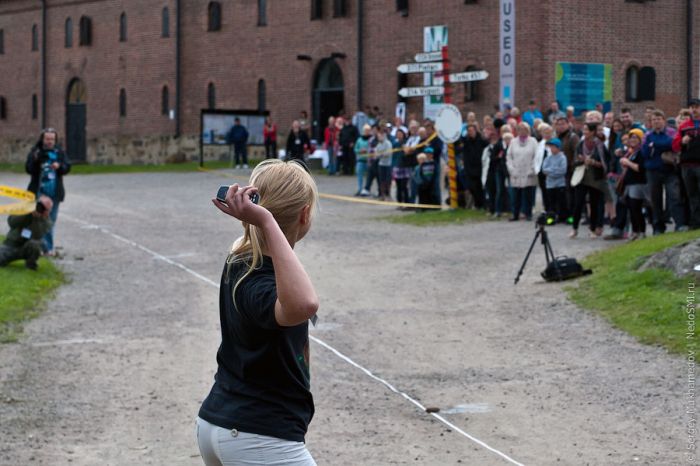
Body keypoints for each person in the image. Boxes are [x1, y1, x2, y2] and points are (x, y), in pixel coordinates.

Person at [198, 160, 319, 466]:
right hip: (257, 436)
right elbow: (305, 305)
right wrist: (266, 221)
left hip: (225, 424)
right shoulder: (259, 281)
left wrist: (260, 221)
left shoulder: (241, 259)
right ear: (304, 215)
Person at [25, 128, 71, 256]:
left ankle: (47, 249)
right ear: (42, 139)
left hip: (54, 193)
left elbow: (67, 167)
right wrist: (36, 161)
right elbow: (28, 169)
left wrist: (60, 166)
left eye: (52, 139)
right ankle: (33, 248)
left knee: (50, 221)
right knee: (35, 221)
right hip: (38, 192)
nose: (50, 141)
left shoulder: (60, 152)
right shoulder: (36, 152)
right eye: (47, 139)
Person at [643, 109, 687, 234]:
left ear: (664, 120)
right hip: (653, 171)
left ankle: (680, 224)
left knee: (674, 196)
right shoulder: (647, 135)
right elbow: (645, 153)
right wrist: (659, 146)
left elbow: (673, 145)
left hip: (669, 170)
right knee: (655, 200)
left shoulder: (671, 132)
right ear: (651, 122)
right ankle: (658, 227)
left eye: (659, 119)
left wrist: (655, 145)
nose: (656, 122)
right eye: (653, 120)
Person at [569, 123, 608, 238]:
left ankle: (593, 228)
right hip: (582, 177)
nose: (584, 132)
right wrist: (581, 160)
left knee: (594, 204)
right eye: (583, 129)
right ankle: (574, 228)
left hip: (595, 178)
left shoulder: (600, 145)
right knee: (578, 203)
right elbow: (575, 161)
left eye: (586, 130)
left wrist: (593, 162)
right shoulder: (581, 144)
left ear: (592, 132)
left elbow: (605, 163)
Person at [0, 196, 53, 270]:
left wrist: (37, 219)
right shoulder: (25, 209)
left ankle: (31, 264)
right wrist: (27, 213)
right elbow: (11, 222)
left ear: (49, 210)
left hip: (27, 248)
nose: (41, 209)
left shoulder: (47, 222)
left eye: (45, 208)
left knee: (36, 244)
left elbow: (37, 235)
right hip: (11, 245)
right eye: (40, 205)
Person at [673, 98, 700, 229]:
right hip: (687, 165)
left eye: (697, 107)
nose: (694, 109)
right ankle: (695, 222)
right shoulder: (684, 126)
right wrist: (682, 141)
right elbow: (675, 145)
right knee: (692, 195)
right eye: (692, 107)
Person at [506, 122, 538, 221]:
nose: (522, 131)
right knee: (516, 195)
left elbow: (536, 156)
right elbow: (509, 156)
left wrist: (532, 169)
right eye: (520, 129)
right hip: (516, 171)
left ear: (528, 130)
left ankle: (528, 214)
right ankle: (515, 214)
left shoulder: (533, 141)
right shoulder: (513, 142)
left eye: (524, 129)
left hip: (528, 171)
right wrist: (511, 169)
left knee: (528, 194)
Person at [619, 129, 648, 240]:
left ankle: (642, 231)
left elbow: (640, 168)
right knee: (631, 208)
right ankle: (635, 231)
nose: (632, 140)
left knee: (636, 208)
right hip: (629, 183)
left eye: (635, 137)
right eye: (631, 138)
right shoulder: (631, 152)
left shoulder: (642, 152)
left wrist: (628, 163)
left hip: (639, 183)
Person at [460, 124, 488, 209]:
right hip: (469, 168)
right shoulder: (466, 141)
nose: (470, 132)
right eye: (469, 131)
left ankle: (482, 204)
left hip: (479, 167)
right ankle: (477, 204)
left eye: (472, 130)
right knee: (472, 187)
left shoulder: (481, 140)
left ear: (475, 131)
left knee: (479, 187)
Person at [540, 138, 567, 223]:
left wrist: (551, 171)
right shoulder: (548, 158)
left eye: (553, 147)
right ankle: (552, 216)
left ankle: (562, 216)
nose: (551, 149)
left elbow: (562, 170)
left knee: (561, 201)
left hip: (560, 184)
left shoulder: (562, 158)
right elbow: (544, 169)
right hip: (550, 184)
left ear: (558, 147)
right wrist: (554, 170)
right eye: (550, 147)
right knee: (551, 202)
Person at [354, 124, 372, 196]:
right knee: (360, 176)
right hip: (360, 160)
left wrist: (367, 151)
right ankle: (360, 189)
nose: (367, 132)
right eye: (365, 130)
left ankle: (366, 189)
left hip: (368, 161)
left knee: (368, 177)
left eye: (368, 130)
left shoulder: (371, 139)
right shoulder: (359, 140)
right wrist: (360, 151)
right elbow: (355, 149)